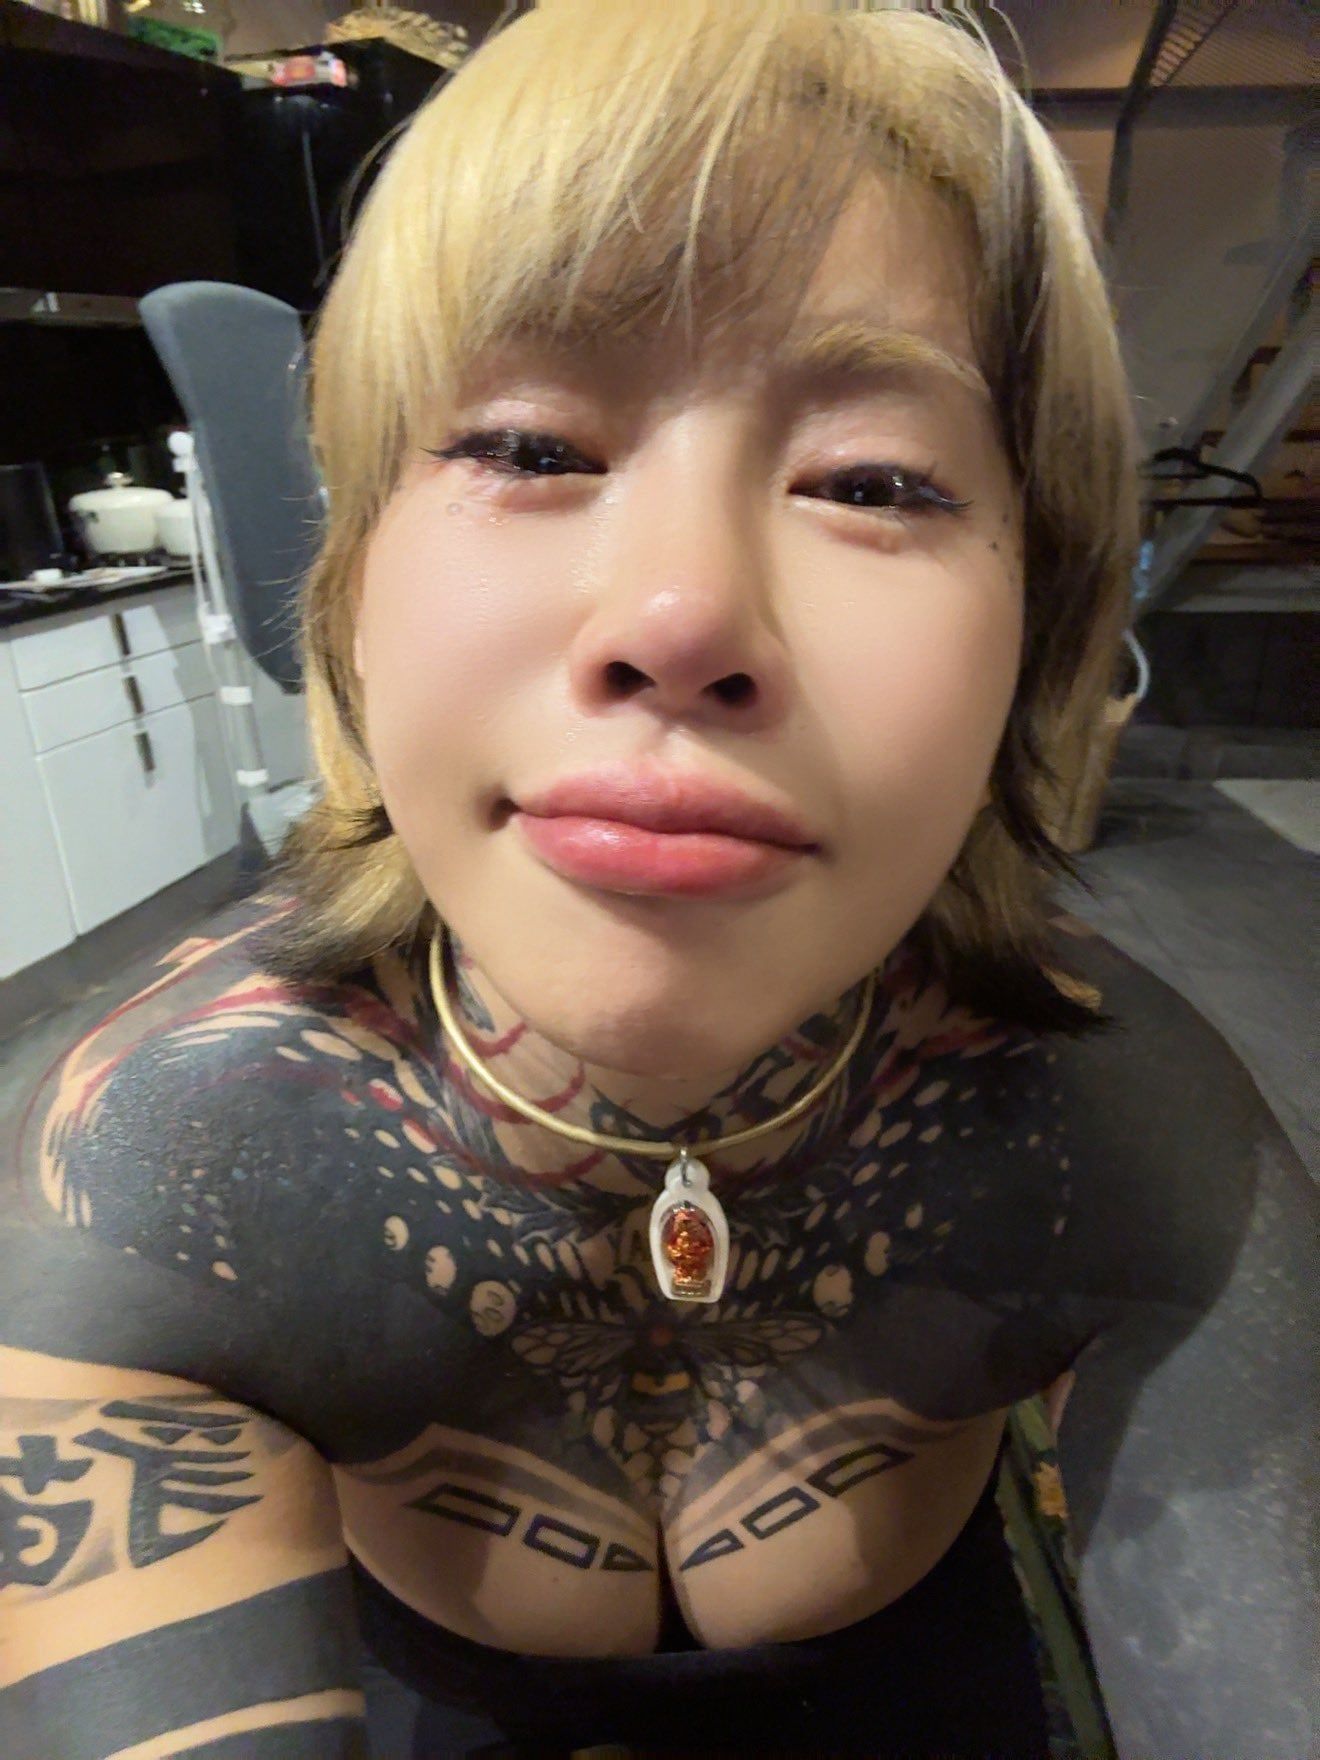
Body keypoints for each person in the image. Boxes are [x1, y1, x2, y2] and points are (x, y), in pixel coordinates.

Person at [1, 3, 1314, 1756]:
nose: (681, 617)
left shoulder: (1131, 1141)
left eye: (872, 480)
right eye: (528, 448)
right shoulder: (150, 1180)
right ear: (351, 586)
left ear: (1036, 634)